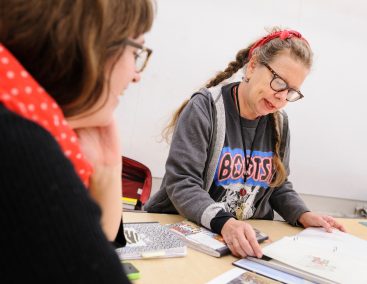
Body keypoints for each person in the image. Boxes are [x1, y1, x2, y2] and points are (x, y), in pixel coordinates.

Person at [145, 27, 345, 259]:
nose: (282, 97)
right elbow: (182, 183)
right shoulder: (205, 108)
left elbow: (277, 185)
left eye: (292, 91)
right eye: (279, 82)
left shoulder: (279, 123)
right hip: (187, 236)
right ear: (252, 66)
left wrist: (302, 214)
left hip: (238, 243)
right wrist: (225, 223)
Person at [0, 0, 153, 282]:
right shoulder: (20, 146)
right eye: (136, 51)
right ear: (92, 44)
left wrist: (106, 169)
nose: (136, 75)